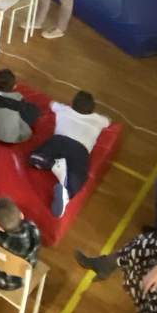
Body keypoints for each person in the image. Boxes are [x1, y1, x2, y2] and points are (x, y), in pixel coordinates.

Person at [28, 90, 111, 218]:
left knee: (38, 154)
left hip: (59, 140)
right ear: (92, 109)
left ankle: (49, 162)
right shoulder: (98, 120)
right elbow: (108, 121)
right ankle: (66, 192)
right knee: (77, 176)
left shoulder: (64, 110)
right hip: (79, 149)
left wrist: (62, 106)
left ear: (72, 104)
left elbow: (52, 104)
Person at [0, 68, 40, 144]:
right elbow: (34, 112)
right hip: (8, 138)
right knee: (32, 112)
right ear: (14, 86)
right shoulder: (18, 103)